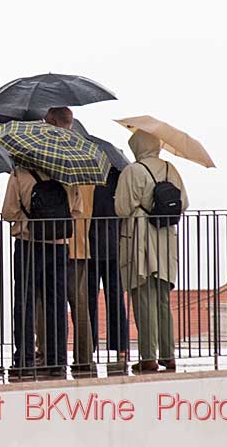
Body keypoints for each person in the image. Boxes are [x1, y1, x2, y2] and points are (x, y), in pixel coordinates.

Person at [115, 130, 188, 372]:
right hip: (166, 238)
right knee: (163, 300)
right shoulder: (171, 169)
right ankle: (168, 354)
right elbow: (183, 203)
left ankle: (148, 356)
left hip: (140, 238)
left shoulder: (133, 171)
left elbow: (122, 208)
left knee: (143, 297)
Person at [3, 161, 82, 378]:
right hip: (58, 245)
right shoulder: (67, 174)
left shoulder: (20, 174)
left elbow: (8, 212)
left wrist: (28, 219)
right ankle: (58, 361)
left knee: (25, 302)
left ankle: (25, 359)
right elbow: (76, 211)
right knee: (56, 303)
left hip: (28, 243)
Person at [45, 107, 95, 377]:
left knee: (50, 302)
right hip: (81, 240)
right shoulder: (85, 156)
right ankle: (85, 357)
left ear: (52, 121)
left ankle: (52, 354)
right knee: (80, 305)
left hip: (56, 239)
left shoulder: (53, 154)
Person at [87, 166, 129, 374]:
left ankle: (89, 346)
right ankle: (121, 346)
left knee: (89, 299)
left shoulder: (86, 174)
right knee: (115, 297)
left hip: (91, 245)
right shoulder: (117, 175)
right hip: (114, 244)